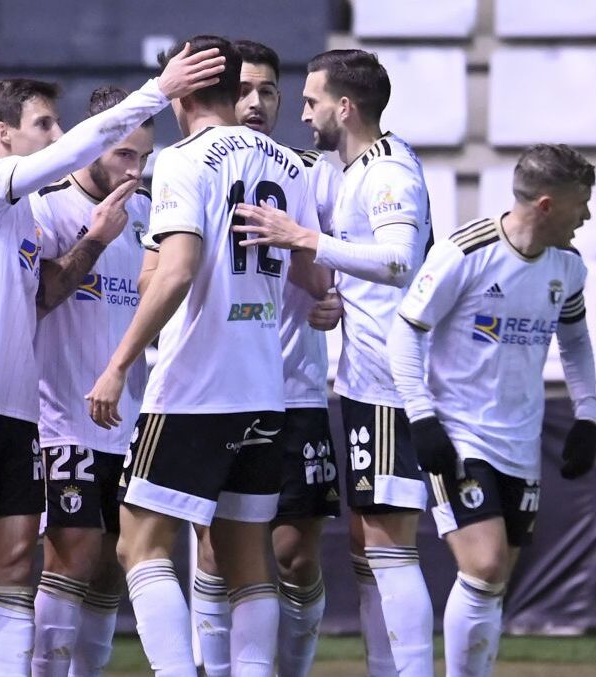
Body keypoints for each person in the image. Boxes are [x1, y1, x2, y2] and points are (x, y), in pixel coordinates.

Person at [0, 46, 225, 677]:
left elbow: (46, 291)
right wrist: (160, 88)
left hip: (18, 415)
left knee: (18, 570)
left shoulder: (24, 221)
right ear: (5, 134)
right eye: (45, 124)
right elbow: (69, 159)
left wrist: (98, 241)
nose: (57, 134)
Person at [86, 34, 327, 677]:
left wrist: (117, 365)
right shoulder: (292, 165)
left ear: (185, 88)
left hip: (195, 385)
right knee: (249, 561)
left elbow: (177, 272)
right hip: (264, 386)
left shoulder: (184, 160)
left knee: (140, 545)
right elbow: (315, 279)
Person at [232, 49, 435, 676]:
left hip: (393, 381)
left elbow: (400, 260)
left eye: (311, 101)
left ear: (344, 108)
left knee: (388, 545)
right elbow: (373, 272)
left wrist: (308, 240)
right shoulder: (345, 169)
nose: (301, 111)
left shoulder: (390, 173)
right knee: (368, 544)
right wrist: (337, 298)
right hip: (364, 379)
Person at [390, 143, 596, 677]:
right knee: (483, 567)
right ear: (548, 205)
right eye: (583, 204)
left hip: (521, 442)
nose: (589, 216)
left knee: (493, 580)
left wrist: (587, 416)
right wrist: (422, 416)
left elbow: (574, 342)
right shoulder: (466, 253)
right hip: (460, 435)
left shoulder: (568, 268)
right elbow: (406, 330)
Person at [190, 39, 342, 677]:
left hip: (297, 390)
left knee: (296, 559)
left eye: (269, 92)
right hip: (217, 392)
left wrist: (337, 299)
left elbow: (349, 260)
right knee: (215, 555)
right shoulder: (194, 168)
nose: (255, 103)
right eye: (244, 90)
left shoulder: (309, 174)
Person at [30, 86, 155, 677]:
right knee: (72, 557)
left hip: (128, 424)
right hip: (62, 420)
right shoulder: (49, 210)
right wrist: (96, 237)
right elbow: (39, 298)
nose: (134, 170)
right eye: (123, 155)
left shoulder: (149, 217)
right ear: (93, 145)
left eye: (143, 158)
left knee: (113, 567)